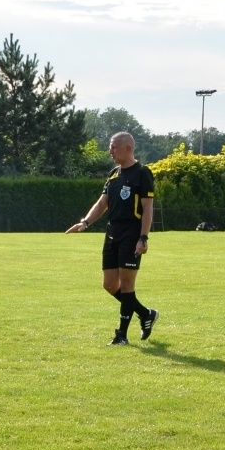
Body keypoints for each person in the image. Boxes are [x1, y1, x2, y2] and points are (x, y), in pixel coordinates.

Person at [66, 132, 158, 345]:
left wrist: (143, 238)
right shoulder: (113, 174)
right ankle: (146, 314)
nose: (110, 151)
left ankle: (122, 335)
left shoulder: (142, 173)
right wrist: (85, 222)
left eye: (114, 147)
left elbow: (147, 208)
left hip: (131, 233)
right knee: (109, 284)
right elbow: (101, 203)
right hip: (112, 232)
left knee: (127, 285)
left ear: (127, 148)